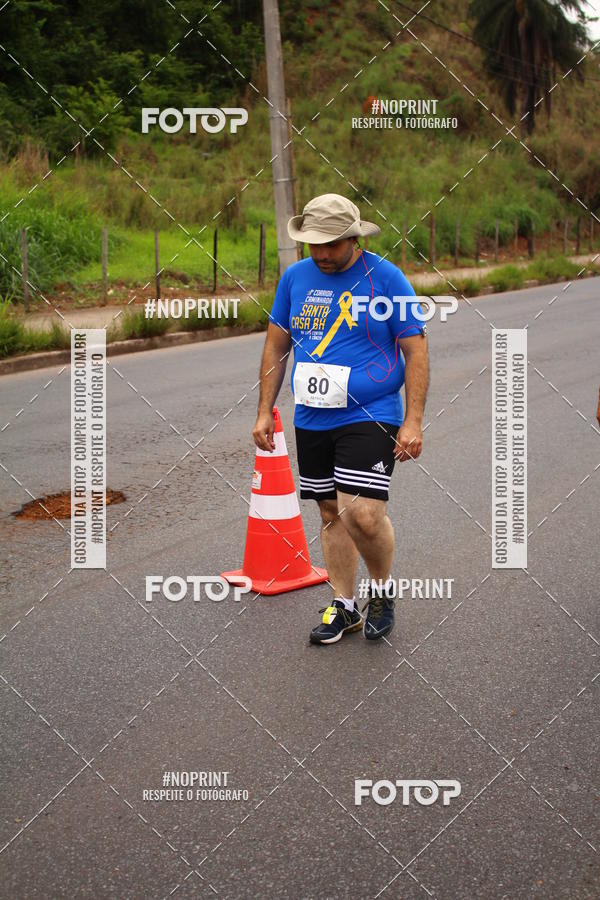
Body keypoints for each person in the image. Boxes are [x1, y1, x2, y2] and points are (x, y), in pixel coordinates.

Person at [252, 193, 429, 644]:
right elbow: (276, 346)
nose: (322, 253)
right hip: (313, 416)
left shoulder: (386, 279)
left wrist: (413, 421)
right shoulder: (294, 278)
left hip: (372, 412)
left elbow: (415, 350)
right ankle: (344, 605)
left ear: (354, 239)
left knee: (362, 513)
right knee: (331, 511)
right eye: (314, 244)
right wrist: (264, 410)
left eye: (331, 244)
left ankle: (382, 592)